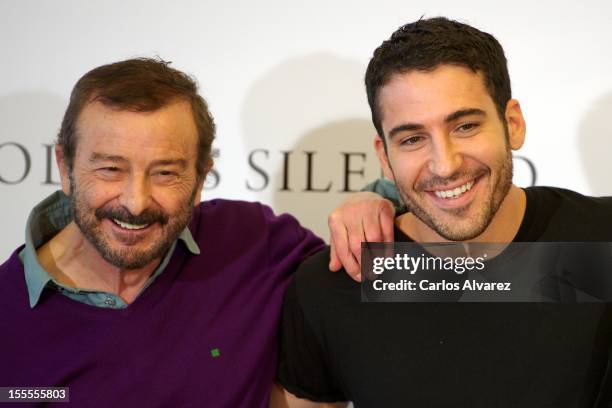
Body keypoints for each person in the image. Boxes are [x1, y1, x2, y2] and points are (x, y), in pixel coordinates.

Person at [0, 58, 396, 407]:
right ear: (65, 168)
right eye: (110, 169)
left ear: (201, 177)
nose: (136, 202)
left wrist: (375, 201)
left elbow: (423, 278)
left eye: (165, 173)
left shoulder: (254, 242)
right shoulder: (6, 314)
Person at [275, 17, 612, 407]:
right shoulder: (338, 283)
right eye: (413, 138)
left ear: (513, 123)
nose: (445, 164)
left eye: (466, 126)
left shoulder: (601, 236)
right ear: (384, 156)